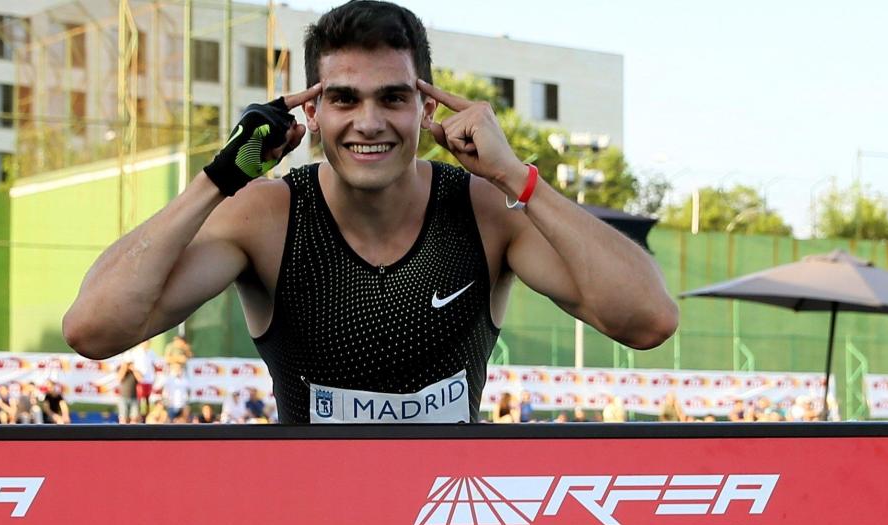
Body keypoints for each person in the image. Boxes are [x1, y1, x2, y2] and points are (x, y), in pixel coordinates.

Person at [60, 0, 675, 423]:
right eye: (344, 99)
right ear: (312, 112)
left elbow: (648, 322)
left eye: (393, 98)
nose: (369, 122)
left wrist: (516, 176)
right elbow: (94, 330)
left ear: (426, 108)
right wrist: (220, 179)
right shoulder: (265, 216)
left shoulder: (489, 209)